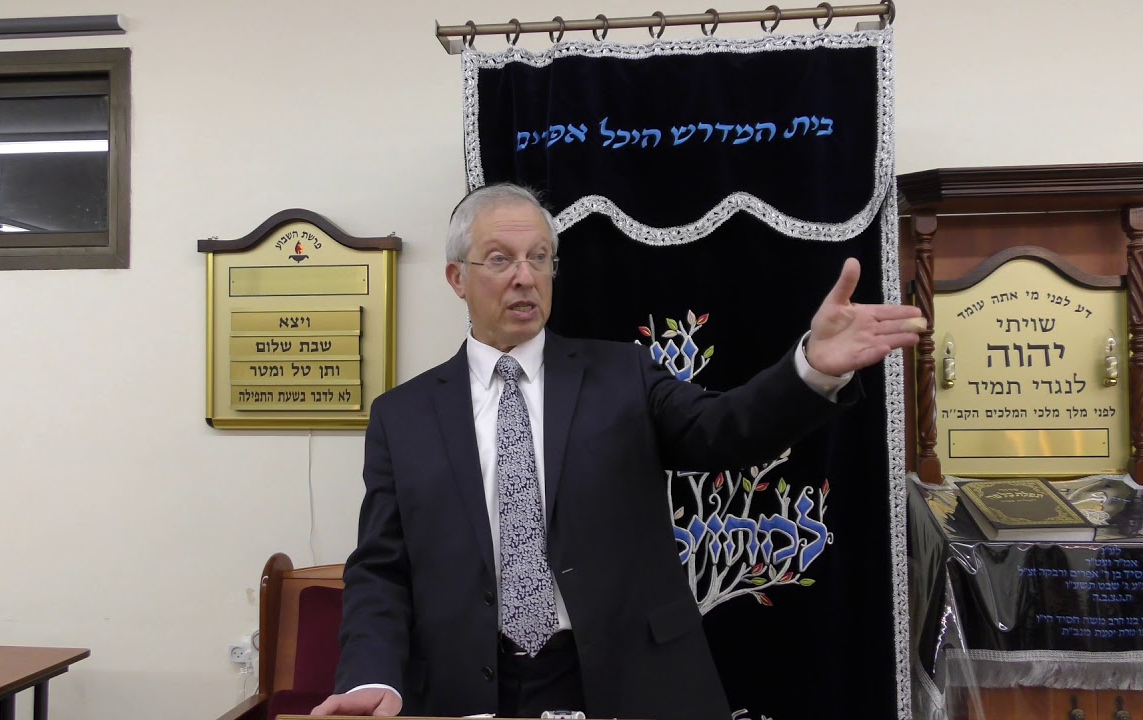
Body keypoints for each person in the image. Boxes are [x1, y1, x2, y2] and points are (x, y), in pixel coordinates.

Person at [312, 183, 925, 720]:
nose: (525, 276)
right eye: (500, 259)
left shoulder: (622, 375)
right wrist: (369, 676)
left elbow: (725, 428)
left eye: (540, 258)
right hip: (465, 686)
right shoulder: (402, 416)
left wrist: (811, 368)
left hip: (628, 676)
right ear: (456, 278)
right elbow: (381, 568)